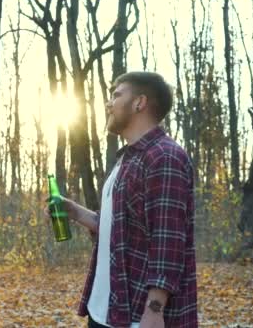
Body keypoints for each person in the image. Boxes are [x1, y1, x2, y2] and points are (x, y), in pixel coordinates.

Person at [48, 72, 197, 327]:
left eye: (116, 95)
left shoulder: (164, 156)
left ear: (139, 102)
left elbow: (168, 238)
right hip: (108, 309)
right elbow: (120, 230)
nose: (108, 103)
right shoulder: (127, 159)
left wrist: (154, 310)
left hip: (139, 315)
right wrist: (75, 212)